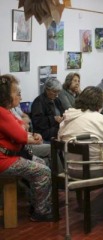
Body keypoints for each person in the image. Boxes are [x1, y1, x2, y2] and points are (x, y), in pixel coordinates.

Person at [0, 74, 52, 222]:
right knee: (43, 170)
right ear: (6, 95)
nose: (20, 97)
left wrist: (29, 133)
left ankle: (37, 204)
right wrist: (31, 135)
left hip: (10, 156)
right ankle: (41, 212)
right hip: (4, 160)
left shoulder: (6, 111)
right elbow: (21, 135)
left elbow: (22, 127)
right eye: (17, 93)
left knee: (42, 164)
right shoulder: (2, 113)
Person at [31, 78, 65, 142]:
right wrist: (53, 119)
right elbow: (37, 122)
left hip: (55, 128)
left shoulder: (56, 100)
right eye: (54, 91)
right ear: (47, 89)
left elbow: (63, 112)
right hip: (44, 132)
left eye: (58, 92)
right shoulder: (39, 101)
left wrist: (64, 117)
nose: (57, 94)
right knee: (65, 133)